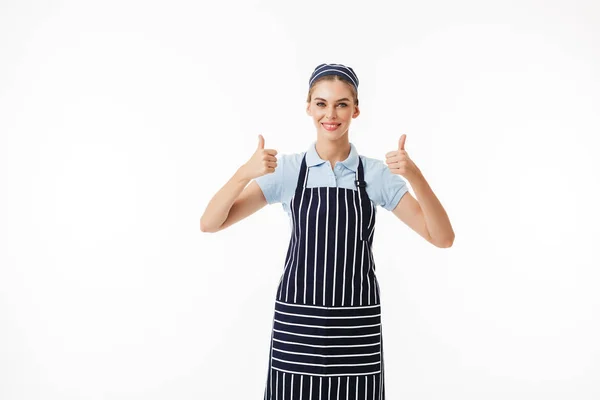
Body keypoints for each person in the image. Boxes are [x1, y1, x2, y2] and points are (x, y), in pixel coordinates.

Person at [200, 63, 454, 399]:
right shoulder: (289, 171)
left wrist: (416, 176)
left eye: (341, 104)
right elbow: (210, 222)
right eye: (321, 103)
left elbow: (442, 237)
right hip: (298, 325)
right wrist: (243, 173)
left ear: (356, 110)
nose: (330, 114)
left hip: (355, 329)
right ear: (308, 107)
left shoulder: (374, 175)